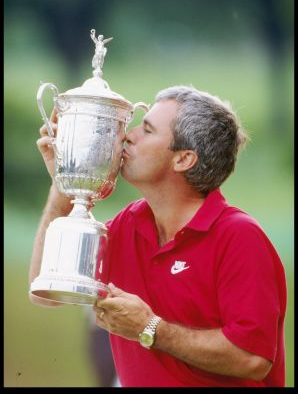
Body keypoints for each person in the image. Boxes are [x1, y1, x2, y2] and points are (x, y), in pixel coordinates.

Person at [29, 85, 287, 387]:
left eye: (147, 130)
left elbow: (252, 359)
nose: (128, 135)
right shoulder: (128, 224)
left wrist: (149, 328)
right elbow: (46, 290)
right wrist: (64, 185)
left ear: (183, 159)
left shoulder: (239, 236)